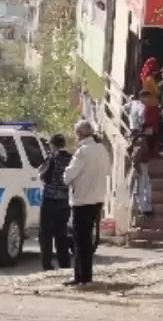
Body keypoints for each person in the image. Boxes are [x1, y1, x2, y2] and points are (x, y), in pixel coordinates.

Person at [63, 120, 110, 287]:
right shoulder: (101, 149)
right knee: (88, 239)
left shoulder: (82, 152)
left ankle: (80, 277)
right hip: (97, 199)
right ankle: (87, 276)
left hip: (82, 200)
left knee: (79, 241)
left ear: (79, 135)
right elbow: (107, 171)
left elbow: (68, 176)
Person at [38, 134, 73, 272]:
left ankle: (47, 263)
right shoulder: (71, 158)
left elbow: (42, 174)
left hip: (50, 200)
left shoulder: (52, 158)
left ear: (53, 145)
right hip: (64, 201)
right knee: (61, 234)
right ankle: (64, 263)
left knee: (46, 235)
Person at [127, 129, 154, 221]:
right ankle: (144, 209)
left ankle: (143, 208)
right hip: (141, 166)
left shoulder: (138, 141)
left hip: (140, 166)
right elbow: (137, 155)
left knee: (140, 188)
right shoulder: (142, 141)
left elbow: (134, 156)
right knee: (142, 188)